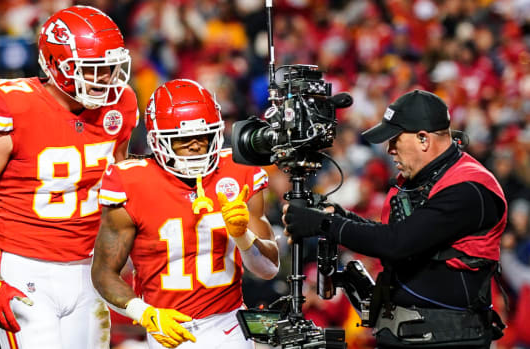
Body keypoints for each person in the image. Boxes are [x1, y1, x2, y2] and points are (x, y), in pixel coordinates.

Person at [0, 6, 138, 348]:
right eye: (94, 69)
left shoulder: (120, 104)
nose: (106, 78)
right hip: (26, 268)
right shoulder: (14, 106)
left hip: (88, 270)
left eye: (110, 67)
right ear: (56, 65)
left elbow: (117, 187)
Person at [283, 90, 507, 348]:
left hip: (449, 339)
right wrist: (343, 217)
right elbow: (403, 235)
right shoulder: (430, 179)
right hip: (411, 335)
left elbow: (398, 243)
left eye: (395, 140)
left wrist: (325, 224)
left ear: (423, 139)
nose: (389, 149)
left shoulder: (469, 189)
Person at [91, 79, 279, 349]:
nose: (195, 146)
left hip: (229, 324)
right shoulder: (131, 182)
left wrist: (243, 236)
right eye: (181, 139)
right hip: (169, 328)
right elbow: (103, 273)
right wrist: (145, 313)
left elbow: (269, 269)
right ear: (157, 140)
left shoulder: (239, 173)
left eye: (203, 136)